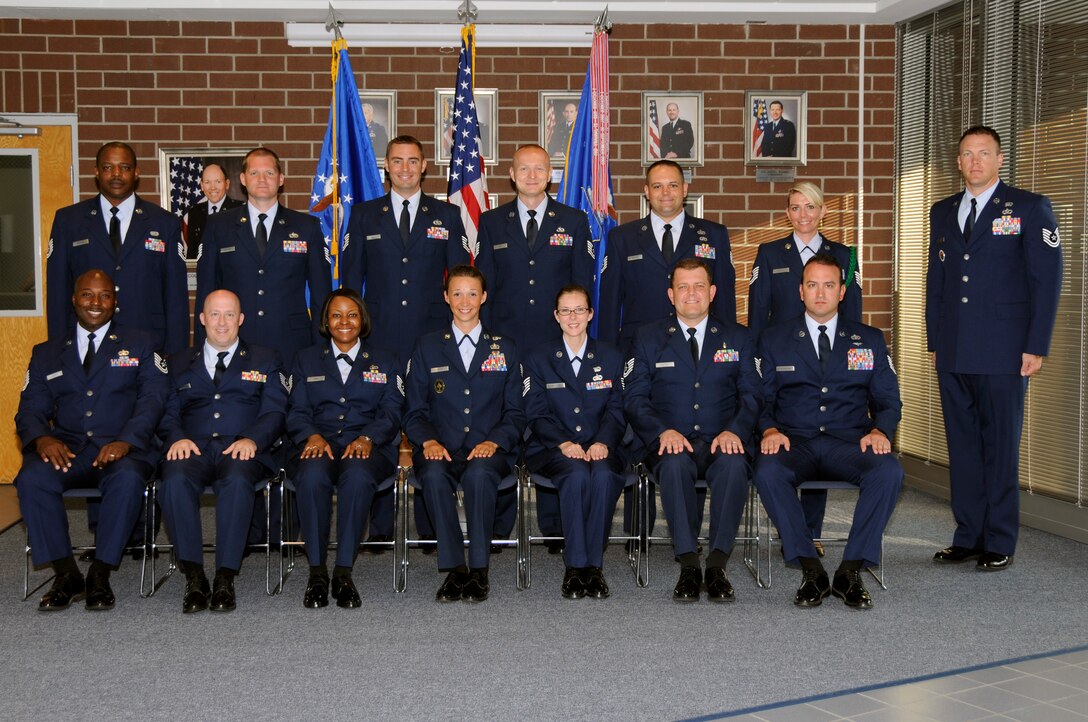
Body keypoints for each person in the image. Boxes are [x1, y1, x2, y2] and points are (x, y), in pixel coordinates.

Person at [926, 125, 1062, 571]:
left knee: (999, 446)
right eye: (967, 154)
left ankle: (999, 539)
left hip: (1005, 350)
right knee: (962, 447)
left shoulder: (1028, 207)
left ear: (1000, 160)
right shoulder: (942, 211)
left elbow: (1046, 281)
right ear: (958, 162)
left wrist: (1035, 345)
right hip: (954, 349)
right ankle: (968, 535)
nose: (976, 162)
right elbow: (938, 282)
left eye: (984, 153)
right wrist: (934, 340)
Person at [754, 254, 903, 609]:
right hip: (795, 442)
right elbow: (759, 399)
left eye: (829, 285)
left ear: (842, 291)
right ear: (800, 291)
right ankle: (810, 569)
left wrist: (881, 430)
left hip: (848, 443)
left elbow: (889, 400)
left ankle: (850, 570)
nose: (820, 293)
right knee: (768, 470)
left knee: (889, 471)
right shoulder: (774, 340)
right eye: (812, 285)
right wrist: (769, 429)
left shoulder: (868, 339)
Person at [15, 269, 168, 612]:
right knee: (32, 478)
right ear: (74, 299)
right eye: (88, 295)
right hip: (70, 448)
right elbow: (29, 410)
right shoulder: (47, 352)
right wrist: (42, 439)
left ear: (115, 302)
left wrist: (126, 441)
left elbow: (153, 400)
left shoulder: (141, 343)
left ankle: (100, 573)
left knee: (128, 479)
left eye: (105, 296)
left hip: (124, 448)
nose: (96, 303)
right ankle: (67, 573)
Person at [342, 135, 469, 546]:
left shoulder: (446, 215)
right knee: (378, 419)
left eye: (412, 161)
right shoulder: (363, 215)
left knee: (426, 420)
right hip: (377, 336)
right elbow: (350, 284)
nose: (405, 168)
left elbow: (460, 279)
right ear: (386, 166)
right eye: (397, 161)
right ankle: (379, 530)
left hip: (429, 336)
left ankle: (430, 526)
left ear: (425, 166)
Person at [475, 144, 595, 548]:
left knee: (553, 429)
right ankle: (497, 526)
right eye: (523, 168)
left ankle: (555, 526)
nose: (531, 175)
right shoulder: (491, 222)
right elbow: (484, 287)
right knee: (504, 424)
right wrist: (488, 344)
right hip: (504, 345)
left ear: (551, 175)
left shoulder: (574, 221)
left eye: (538, 169)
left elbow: (582, 285)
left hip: (555, 344)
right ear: (511, 174)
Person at [623, 259, 760, 602]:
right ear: (671, 295)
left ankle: (716, 565)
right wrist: (661, 432)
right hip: (670, 442)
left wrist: (735, 432)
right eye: (683, 287)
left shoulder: (738, 337)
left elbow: (753, 395)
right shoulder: (648, 338)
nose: (691, 293)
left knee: (732, 466)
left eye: (699, 286)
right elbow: (635, 398)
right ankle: (688, 565)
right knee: (673, 463)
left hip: (721, 440)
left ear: (712, 293)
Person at [748, 181, 864, 552]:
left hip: (827, 362)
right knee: (786, 443)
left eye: (810, 207)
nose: (803, 215)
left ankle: (807, 534)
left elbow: (855, 319)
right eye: (796, 208)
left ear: (822, 211)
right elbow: (756, 316)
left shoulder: (845, 255)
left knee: (822, 434)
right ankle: (792, 527)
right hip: (782, 364)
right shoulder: (768, 253)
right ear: (787, 213)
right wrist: (757, 365)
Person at [157, 290, 287, 614]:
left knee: (238, 480)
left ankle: (226, 576)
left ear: (241, 320)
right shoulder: (176, 363)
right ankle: (195, 576)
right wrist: (176, 437)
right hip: (193, 448)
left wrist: (252, 440)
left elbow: (275, 411)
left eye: (230, 315)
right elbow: (164, 411)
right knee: (173, 479)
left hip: (242, 448)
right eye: (215, 314)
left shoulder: (265, 358)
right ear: (201, 319)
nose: (222, 322)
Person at [404, 265, 526, 603]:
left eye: (472, 293)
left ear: (484, 297)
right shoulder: (427, 347)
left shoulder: (506, 348)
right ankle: (456, 569)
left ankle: (480, 570)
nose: (465, 301)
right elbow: (413, 411)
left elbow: (516, 412)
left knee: (479, 475)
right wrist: (428, 441)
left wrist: (494, 441)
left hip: (490, 450)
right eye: (457, 293)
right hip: (439, 447)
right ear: (445, 297)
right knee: (432, 474)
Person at [286, 288, 404, 609]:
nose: (344, 322)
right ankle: (317, 573)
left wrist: (368, 437)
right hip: (318, 444)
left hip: (368, 447)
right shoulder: (305, 359)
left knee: (356, 477)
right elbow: (295, 410)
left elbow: (393, 410)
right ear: (326, 320)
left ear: (362, 319)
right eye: (336, 315)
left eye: (351, 314)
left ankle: (342, 572)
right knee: (311, 477)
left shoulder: (386, 360)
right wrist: (309, 435)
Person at [523, 285, 626, 599]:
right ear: (556, 316)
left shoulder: (611, 356)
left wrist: (603, 441)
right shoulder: (538, 358)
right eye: (566, 310)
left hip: (601, 447)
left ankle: (593, 567)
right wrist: (563, 443)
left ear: (590, 314)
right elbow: (535, 412)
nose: (573, 316)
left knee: (606, 475)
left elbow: (617, 407)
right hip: (553, 449)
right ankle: (575, 567)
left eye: (579, 309)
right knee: (577, 473)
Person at [46, 141, 188, 356]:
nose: (116, 174)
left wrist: (177, 357)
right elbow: (58, 292)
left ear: (137, 172)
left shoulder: (164, 223)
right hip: (86, 345)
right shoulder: (69, 221)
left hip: (148, 343)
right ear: (96, 172)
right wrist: (58, 351)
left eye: (125, 167)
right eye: (107, 167)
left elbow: (176, 297)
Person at [195, 146, 331, 367]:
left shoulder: (307, 227)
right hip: (236, 342)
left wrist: (321, 350)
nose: (262, 179)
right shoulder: (219, 227)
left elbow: (321, 295)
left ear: (280, 179)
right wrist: (202, 351)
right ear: (242, 179)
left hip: (292, 344)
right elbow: (206, 293)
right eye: (254, 173)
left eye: (269, 173)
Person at [598, 160, 736, 350]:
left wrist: (727, 348)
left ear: (684, 189)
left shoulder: (714, 235)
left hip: (699, 348)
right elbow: (609, 305)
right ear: (646, 191)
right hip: (638, 349)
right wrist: (607, 355)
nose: (665, 193)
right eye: (657, 186)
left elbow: (725, 300)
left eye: (673, 185)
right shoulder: (622, 238)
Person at [185, 163, 244, 260]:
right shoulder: (194, 212)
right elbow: (192, 252)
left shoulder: (240, 210)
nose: (213, 187)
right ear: (202, 185)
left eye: (218, 181)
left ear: (227, 184)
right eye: (207, 182)